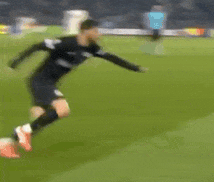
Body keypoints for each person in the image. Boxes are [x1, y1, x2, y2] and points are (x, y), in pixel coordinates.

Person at [1, 19, 147, 159]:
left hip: (50, 83)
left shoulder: (92, 48)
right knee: (62, 110)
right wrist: (15, 62)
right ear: (86, 30)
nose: (99, 34)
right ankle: (21, 132)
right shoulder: (66, 42)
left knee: (42, 117)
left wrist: (135, 68)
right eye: (96, 31)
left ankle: (7, 143)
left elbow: (111, 57)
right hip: (41, 81)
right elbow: (38, 46)